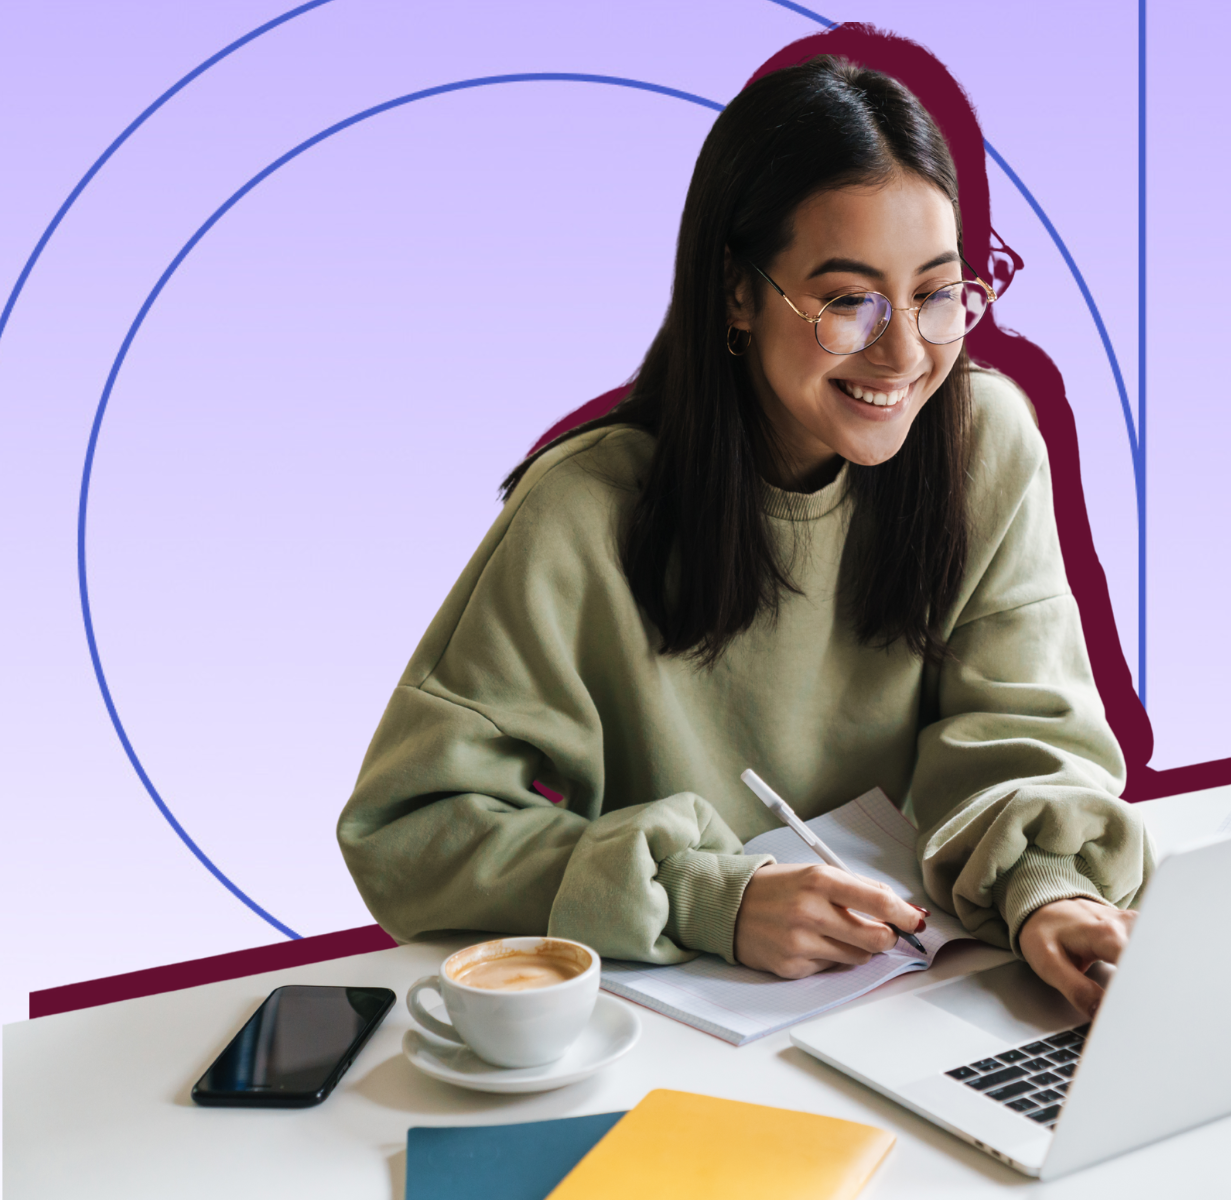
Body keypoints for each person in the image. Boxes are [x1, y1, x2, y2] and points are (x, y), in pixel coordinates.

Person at [337, 55, 1151, 1019]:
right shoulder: (584, 510)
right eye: (849, 301)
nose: (904, 353)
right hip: (681, 1030)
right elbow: (410, 830)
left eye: (937, 294)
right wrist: (706, 897)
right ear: (737, 291)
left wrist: (1050, 888)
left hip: (931, 995)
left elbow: (1024, 732)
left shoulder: (986, 443)